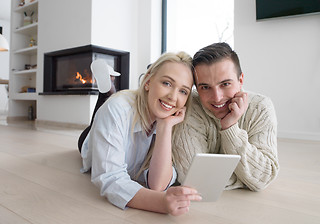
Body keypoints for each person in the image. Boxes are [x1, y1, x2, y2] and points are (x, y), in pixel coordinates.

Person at [79, 51, 202, 216]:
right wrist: (160, 202)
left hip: (129, 113)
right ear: (148, 82)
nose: (173, 97)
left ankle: (109, 90)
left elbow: (157, 185)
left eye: (183, 91)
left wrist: (165, 127)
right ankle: (108, 93)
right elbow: (110, 178)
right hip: (90, 138)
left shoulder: (175, 119)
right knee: (106, 110)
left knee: (110, 106)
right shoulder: (118, 109)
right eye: (167, 83)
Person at [172, 42, 279, 191]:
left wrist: (230, 128)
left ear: (240, 80)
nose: (217, 97)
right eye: (205, 87)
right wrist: (245, 177)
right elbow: (195, 179)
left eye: (225, 84)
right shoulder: (190, 105)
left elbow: (263, 177)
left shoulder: (260, 107)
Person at [78, 59, 121, 152]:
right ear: (112, 77)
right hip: (92, 142)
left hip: (85, 140)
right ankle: (109, 92)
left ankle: (108, 93)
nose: (114, 77)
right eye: (112, 77)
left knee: (94, 126)